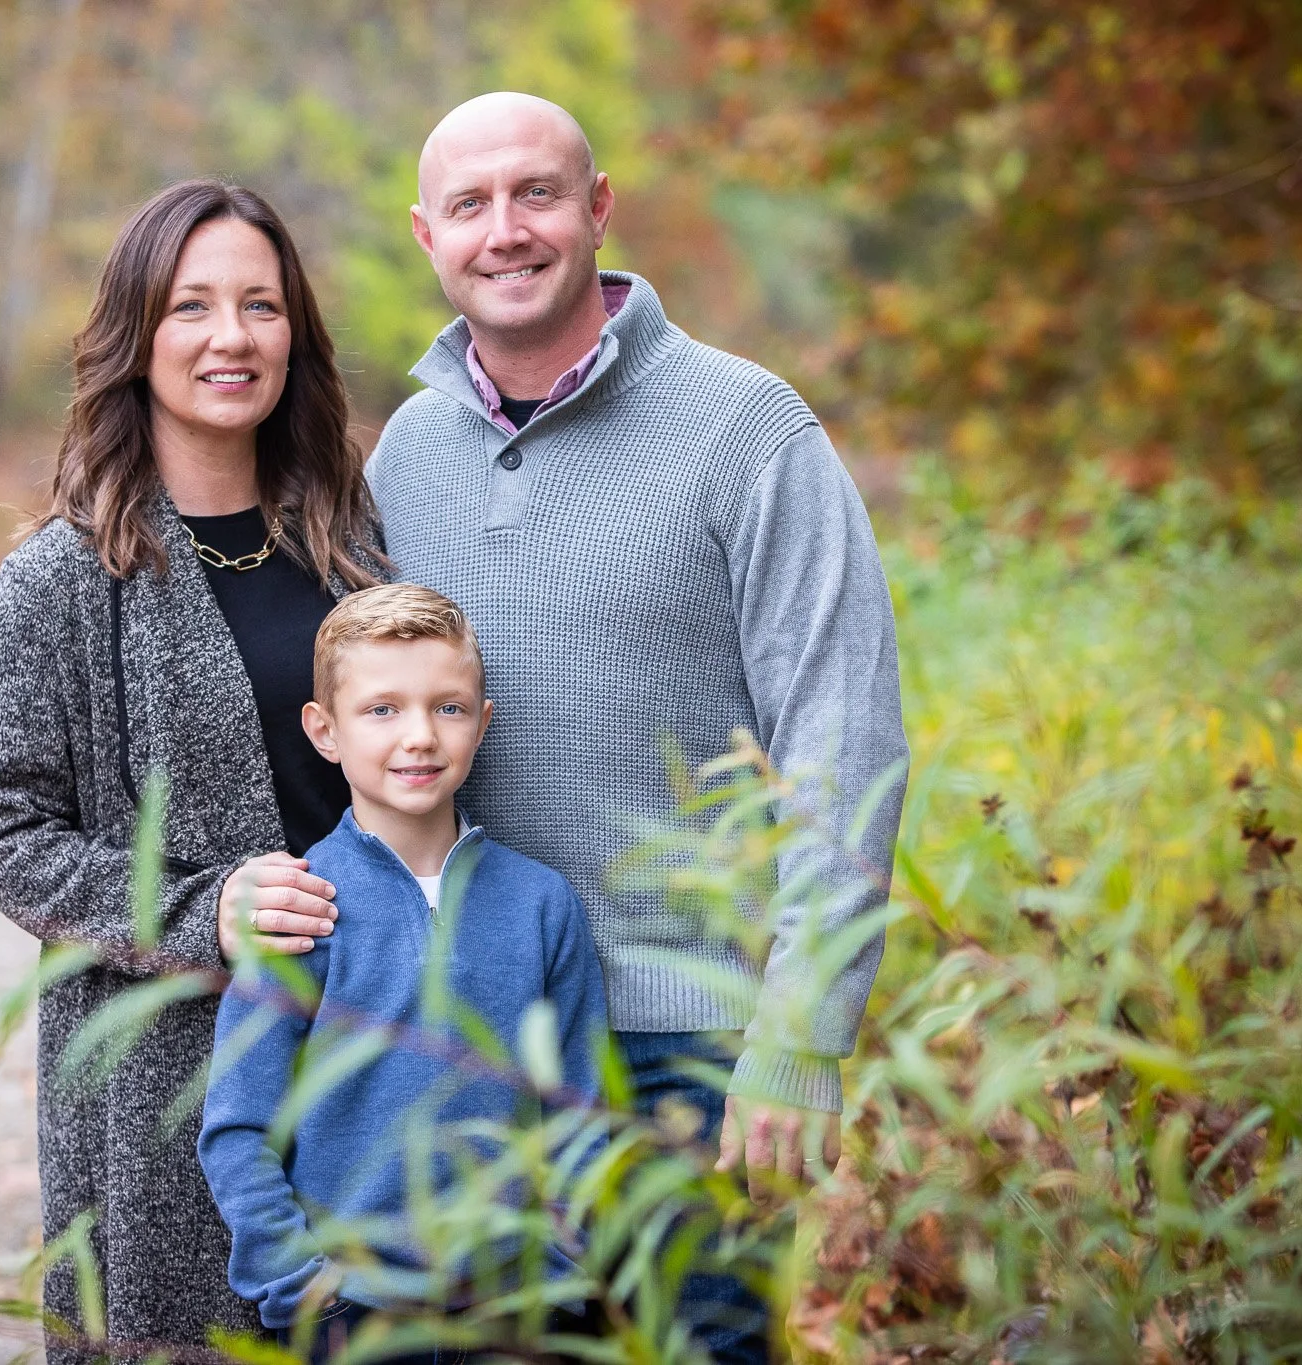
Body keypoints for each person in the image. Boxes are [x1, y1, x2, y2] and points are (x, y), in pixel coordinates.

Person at [366, 93, 911, 1362]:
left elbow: (845, 737)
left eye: (536, 194)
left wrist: (801, 1029)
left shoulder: (746, 430)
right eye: (469, 205)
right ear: (425, 237)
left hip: (687, 1033)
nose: (505, 231)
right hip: (469, 1032)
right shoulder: (404, 454)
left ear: (598, 208)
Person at [0, 179, 383, 1362]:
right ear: (134, 335)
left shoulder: (351, 543)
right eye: (191, 306)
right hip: (164, 1080)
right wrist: (206, 910)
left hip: (373, 1044)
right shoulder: (57, 582)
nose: (230, 337)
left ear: (295, 331)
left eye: (259, 304)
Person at [197, 584, 609, 1364]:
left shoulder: (540, 903)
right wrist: (302, 1288)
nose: (419, 735)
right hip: (355, 1317)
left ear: (482, 723)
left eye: (448, 708)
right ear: (325, 731)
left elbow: (580, 1111)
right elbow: (239, 1127)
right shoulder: (300, 908)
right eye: (382, 710)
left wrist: (564, 1264)